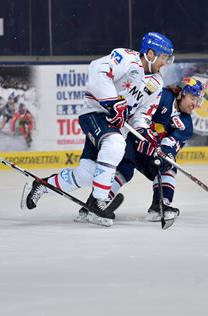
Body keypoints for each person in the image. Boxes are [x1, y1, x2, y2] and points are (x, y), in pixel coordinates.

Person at [22, 32, 175, 227]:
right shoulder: (127, 57)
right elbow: (98, 69)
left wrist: (144, 132)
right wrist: (112, 102)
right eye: (164, 58)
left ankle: (43, 185)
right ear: (151, 54)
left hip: (114, 124)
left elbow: (142, 114)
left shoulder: (157, 83)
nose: (166, 63)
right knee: (115, 144)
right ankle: (98, 202)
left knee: (87, 173)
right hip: (95, 114)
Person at [96, 77, 204, 223]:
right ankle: (97, 203)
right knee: (125, 170)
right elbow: (137, 110)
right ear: (181, 94)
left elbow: (171, 144)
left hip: (152, 152)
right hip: (131, 140)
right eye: (193, 98)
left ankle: (160, 205)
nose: (195, 104)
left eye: (198, 100)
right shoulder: (162, 96)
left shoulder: (186, 125)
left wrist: (166, 154)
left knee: (169, 166)